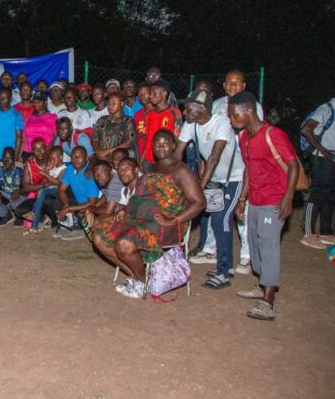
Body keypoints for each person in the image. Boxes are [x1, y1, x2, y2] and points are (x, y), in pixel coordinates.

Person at [92, 130, 206, 299]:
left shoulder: (182, 170)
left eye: (165, 143)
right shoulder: (153, 167)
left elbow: (200, 203)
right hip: (139, 219)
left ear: (174, 145)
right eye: (157, 143)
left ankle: (140, 282)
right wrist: (123, 212)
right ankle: (137, 277)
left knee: (124, 243)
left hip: (164, 225)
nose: (161, 147)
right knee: (99, 238)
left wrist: (174, 220)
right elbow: (140, 196)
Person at [230, 91, 299, 321]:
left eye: (234, 115)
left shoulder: (274, 134)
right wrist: (242, 199)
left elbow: (293, 166)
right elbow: (249, 170)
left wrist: (287, 198)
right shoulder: (244, 138)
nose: (231, 120)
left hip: (274, 200)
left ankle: (268, 302)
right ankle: (262, 285)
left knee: (269, 247)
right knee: (254, 244)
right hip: (256, 199)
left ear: (248, 111)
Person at [175, 89, 246, 288]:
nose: (184, 112)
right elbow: (178, 153)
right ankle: (227, 266)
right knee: (216, 221)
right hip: (214, 180)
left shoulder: (221, 123)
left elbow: (214, 158)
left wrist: (198, 189)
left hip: (234, 178)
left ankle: (223, 272)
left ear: (202, 107)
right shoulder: (191, 125)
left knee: (221, 219)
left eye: (188, 108)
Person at [300, 89, 335, 248]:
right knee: (317, 195)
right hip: (322, 159)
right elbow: (306, 129)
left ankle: (326, 232)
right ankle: (308, 233)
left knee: (332, 196)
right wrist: (321, 149)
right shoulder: (326, 109)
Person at [55, 146, 100, 240]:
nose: (76, 159)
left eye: (80, 156)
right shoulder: (70, 168)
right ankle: (70, 222)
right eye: (74, 156)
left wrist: (69, 209)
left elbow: (92, 203)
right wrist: (66, 206)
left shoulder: (90, 173)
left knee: (83, 217)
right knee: (57, 201)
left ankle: (78, 229)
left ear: (86, 158)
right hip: (79, 203)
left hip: (93, 205)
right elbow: (61, 189)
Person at [140, 80, 182, 166]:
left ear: (164, 93)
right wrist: (142, 160)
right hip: (148, 161)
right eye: (150, 93)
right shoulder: (148, 114)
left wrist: (173, 162)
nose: (151, 96)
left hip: (165, 160)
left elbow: (178, 140)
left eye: (155, 93)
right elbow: (147, 140)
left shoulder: (174, 113)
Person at [0, 147, 25, 227]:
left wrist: (19, 191)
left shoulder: (21, 168)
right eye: (4, 158)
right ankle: (6, 215)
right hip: (5, 196)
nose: (6, 161)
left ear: (14, 158)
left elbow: (27, 188)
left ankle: (19, 216)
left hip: (17, 197)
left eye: (9, 159)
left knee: (15, 201)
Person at [91, 93, 135, 161]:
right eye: (109, 103)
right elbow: (94, 138)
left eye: (114, 103)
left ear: (122, 103)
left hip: (119, 159)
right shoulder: (102, 119)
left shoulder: (127, 120)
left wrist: (107, 152)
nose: (111, 106)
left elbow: (129, 142)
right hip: (100, 158)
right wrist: (99, 152)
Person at [0, 88, 24, 163]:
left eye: (4, 98)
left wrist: (16, 156)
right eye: (0, 97)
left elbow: (19, 137)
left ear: (10, 99)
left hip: (10, 156)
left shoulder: (17, 114)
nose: (1, 100)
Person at [21, 91, 57, 162]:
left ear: (45, 102)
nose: (36, 104)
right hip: (28, 153)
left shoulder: (53, 118)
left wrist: (46, 151)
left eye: (39, 102)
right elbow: (24, 139)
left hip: (45, 153)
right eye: (35, 102)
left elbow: (56, 137)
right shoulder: (29, 118)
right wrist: (19, 156)